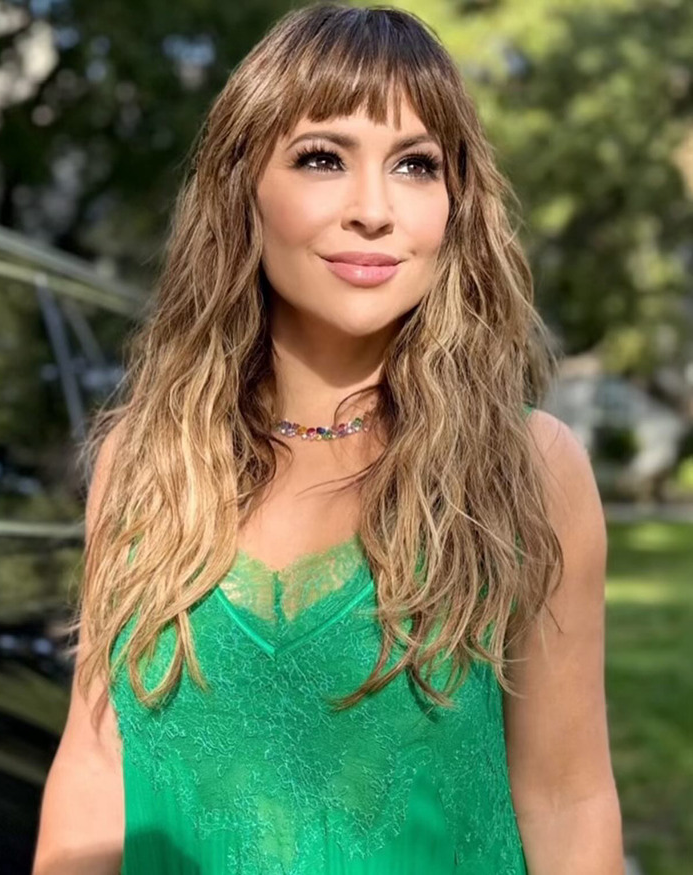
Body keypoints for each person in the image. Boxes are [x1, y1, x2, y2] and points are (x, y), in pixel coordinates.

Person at [33, 4, 625, 874]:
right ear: (242, 186)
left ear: (455, 206)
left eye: (416, 165)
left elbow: (568, 802)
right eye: (322, 157)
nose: (374, 210)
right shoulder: (145, 463)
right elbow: (95, 768)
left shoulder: (528, 468)